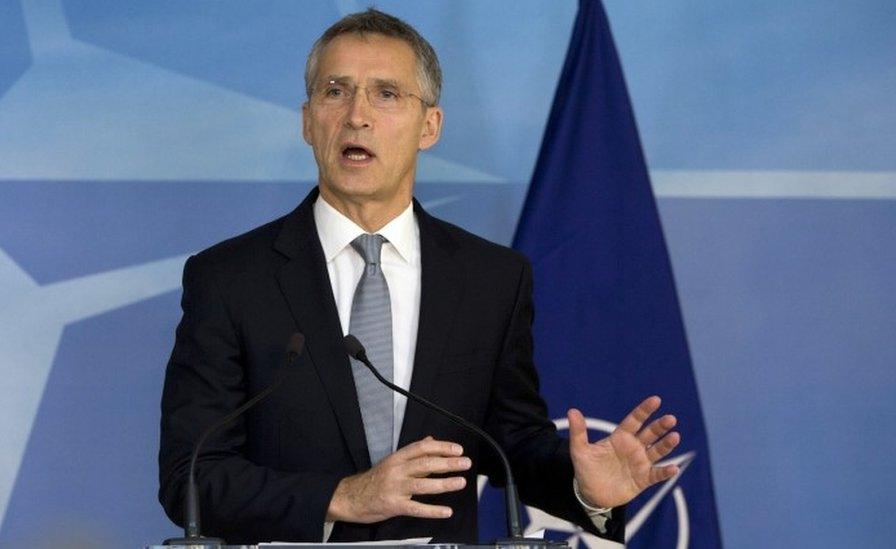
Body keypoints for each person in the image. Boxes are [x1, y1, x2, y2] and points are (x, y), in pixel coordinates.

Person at [159, 8, 681, 545]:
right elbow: (191, 478)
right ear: (308, 119)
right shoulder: (229, 279)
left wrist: (584, 488)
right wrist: (344, 496)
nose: (356, 116)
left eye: (386, 94)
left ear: (429, 126)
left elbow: (512, 444)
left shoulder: (491, 280)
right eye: (335, 91)